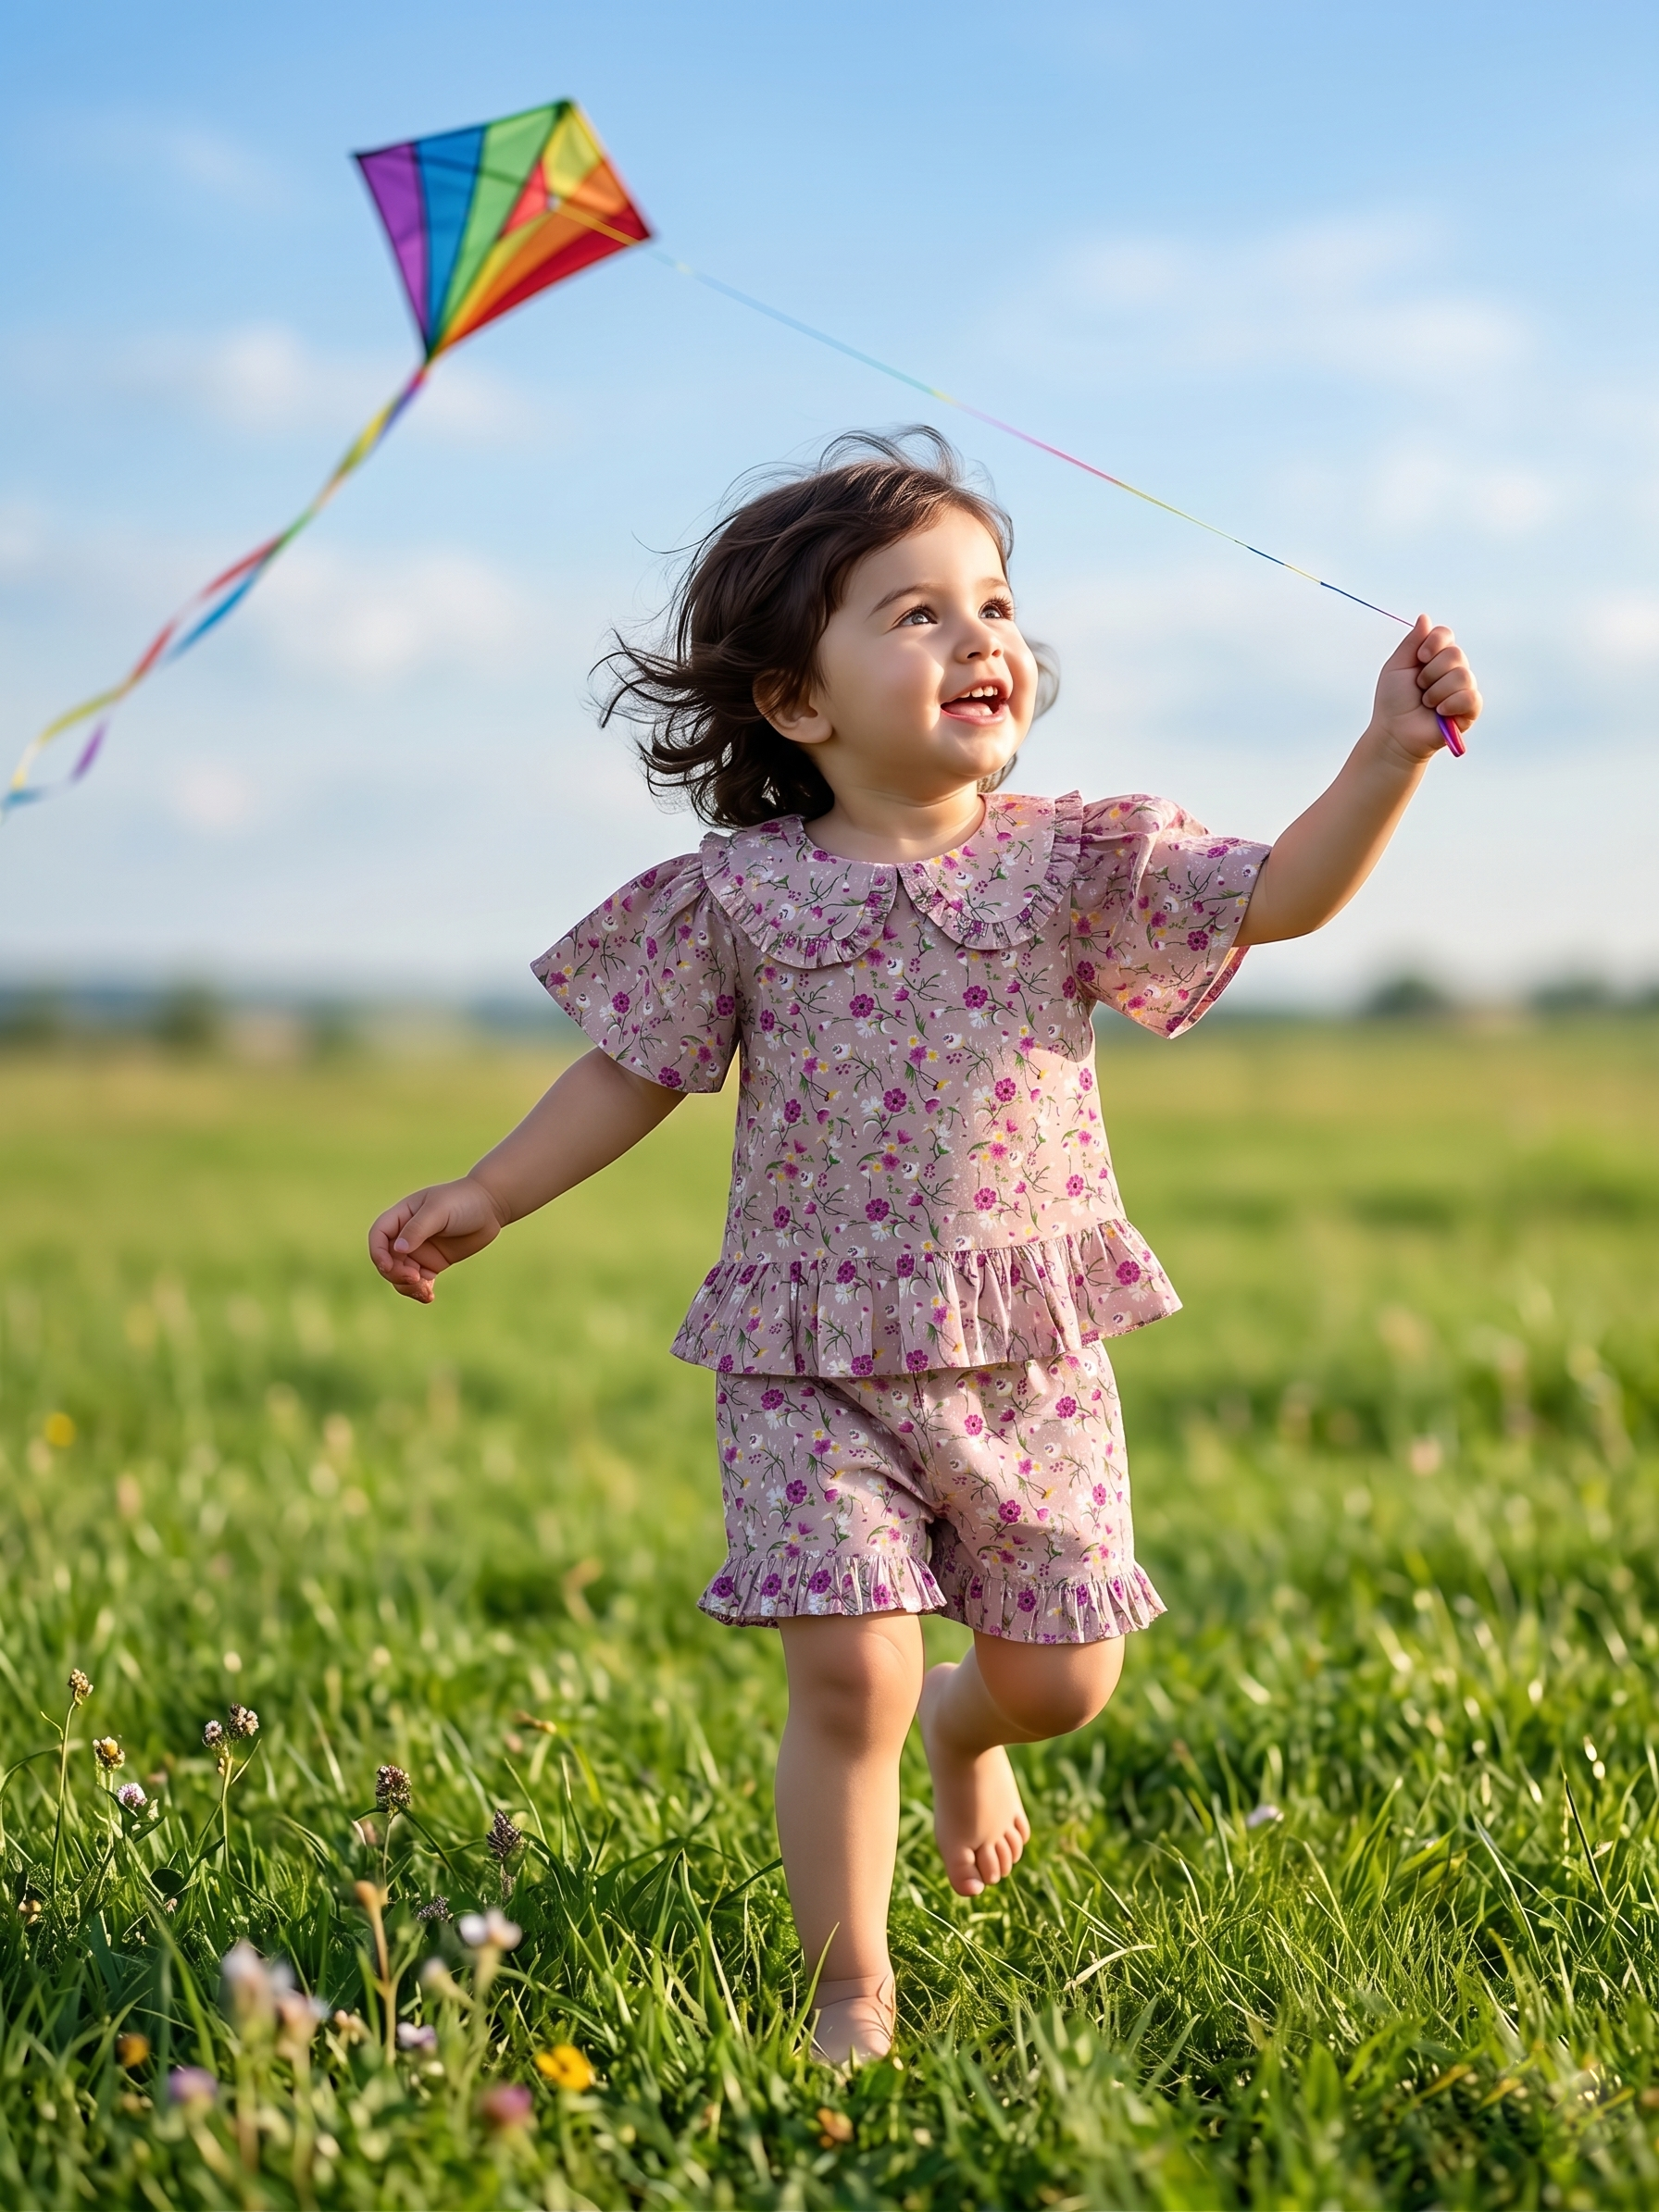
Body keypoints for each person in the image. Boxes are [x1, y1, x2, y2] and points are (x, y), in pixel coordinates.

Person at [368, 429, 1481, 2065]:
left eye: (995, 603)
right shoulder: (737, 898)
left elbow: (1280, 895)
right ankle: (851, 1984)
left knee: (1059, 1681)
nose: (981, 641)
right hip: (809, 1358)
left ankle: (976, 1734)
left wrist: (1386, 749)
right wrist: (490, 1189)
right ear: (795, 703)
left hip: (1027, 1347)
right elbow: (633, 1069)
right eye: (915, 614)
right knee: (849, 1678)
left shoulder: (1073, 862)